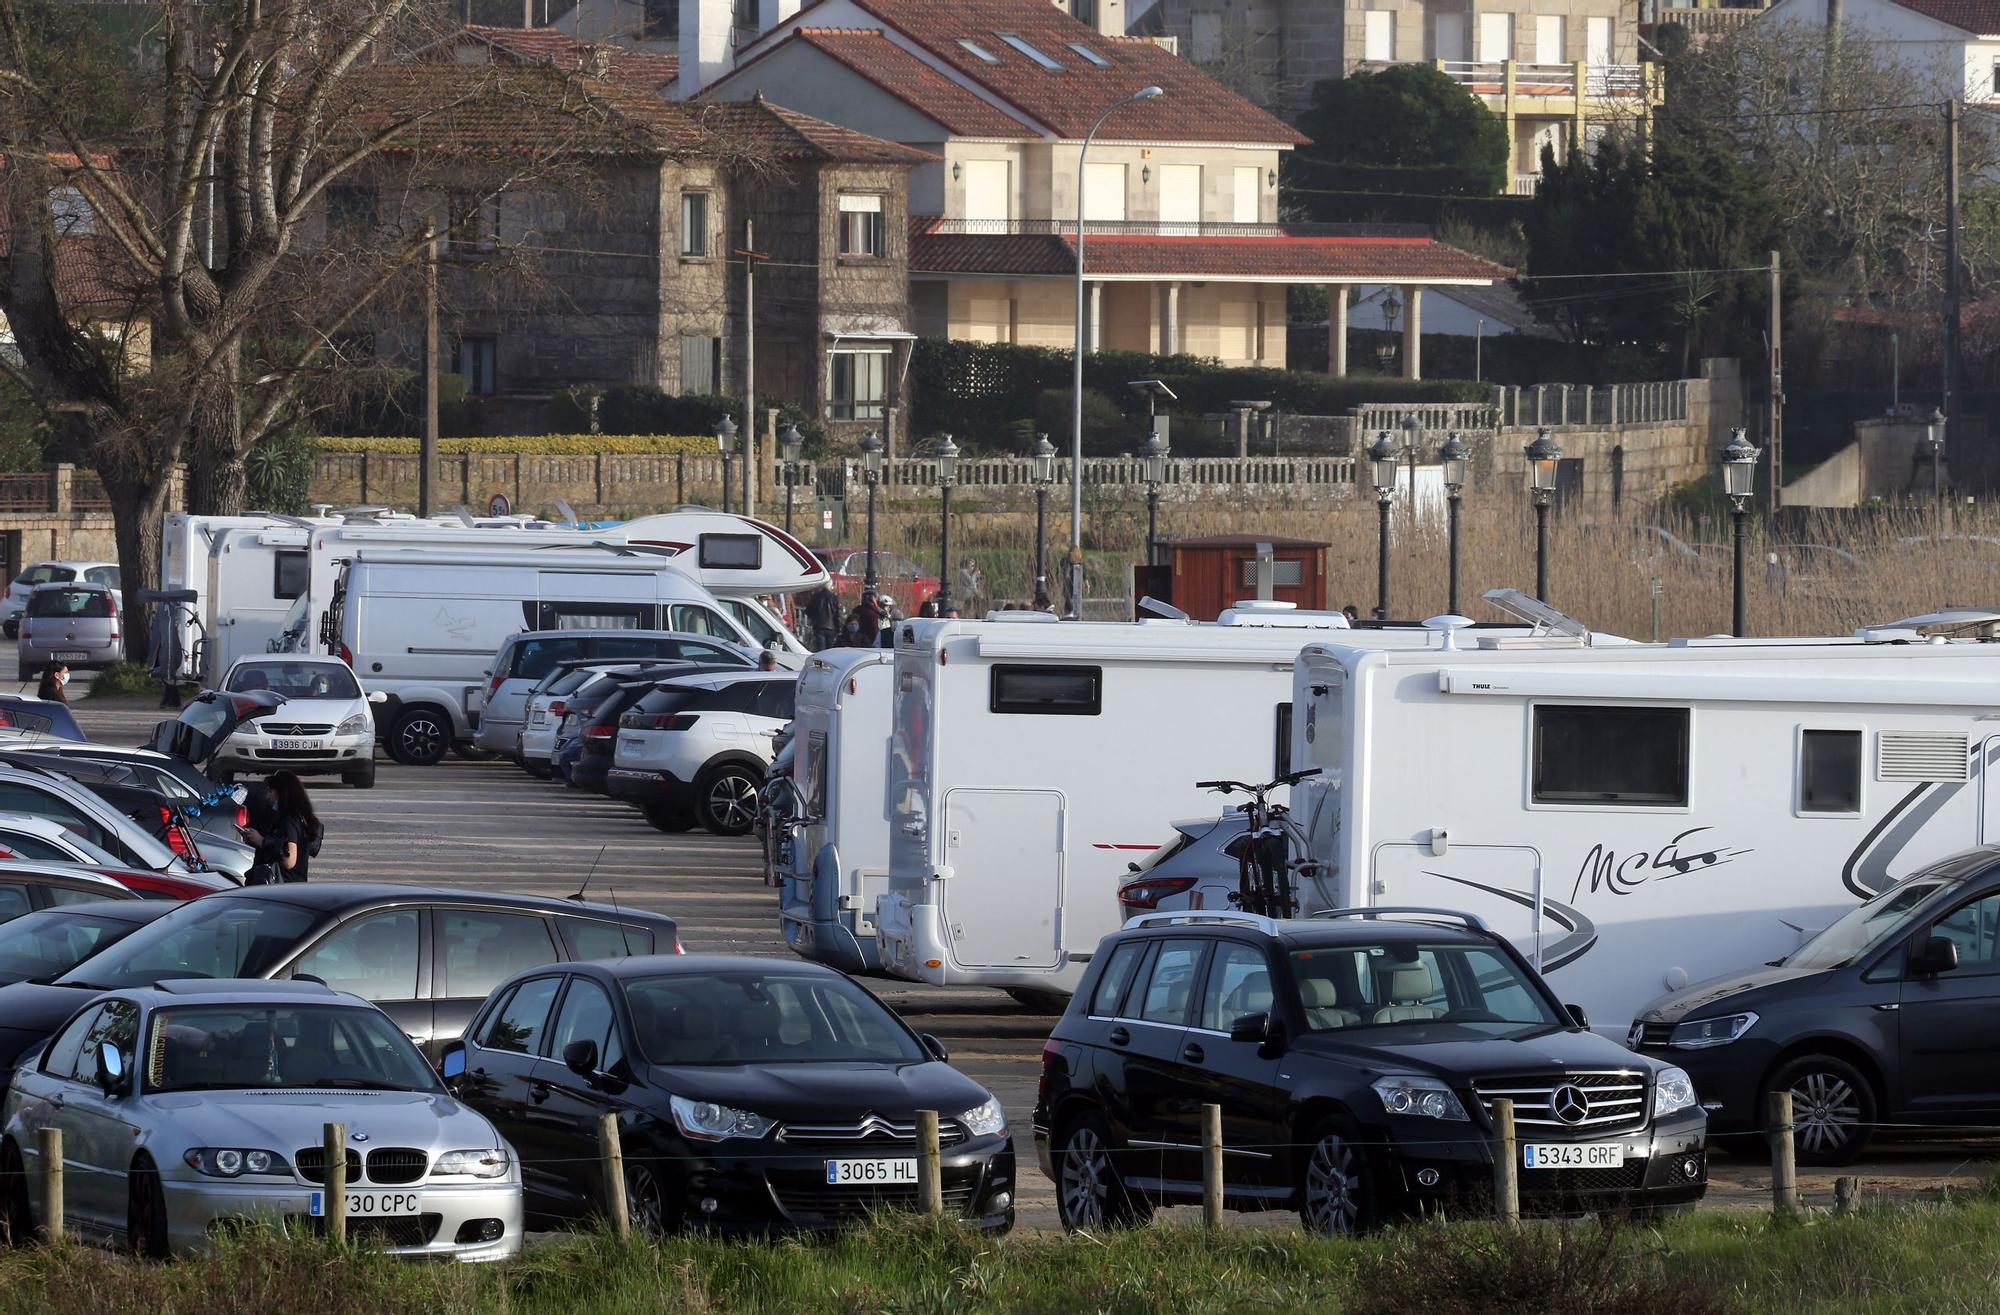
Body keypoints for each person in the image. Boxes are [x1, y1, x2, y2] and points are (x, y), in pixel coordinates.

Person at [267, 770, 322, 883]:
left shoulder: (288, 821)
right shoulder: (301, 816)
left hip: (285, 885)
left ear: (281, 793)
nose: (268, 795)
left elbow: (289, 861)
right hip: (296, 884)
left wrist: (261, 841)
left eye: (271, 791)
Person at [803, 586, 841, 651]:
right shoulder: (834, 597)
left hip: (818, 626)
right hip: (831, 627)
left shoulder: (816, 597)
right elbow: (837, 615)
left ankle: (822, 661)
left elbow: (808, 611)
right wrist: (838, 628)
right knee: (831, 650)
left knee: (821, 649)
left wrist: (813, 618)